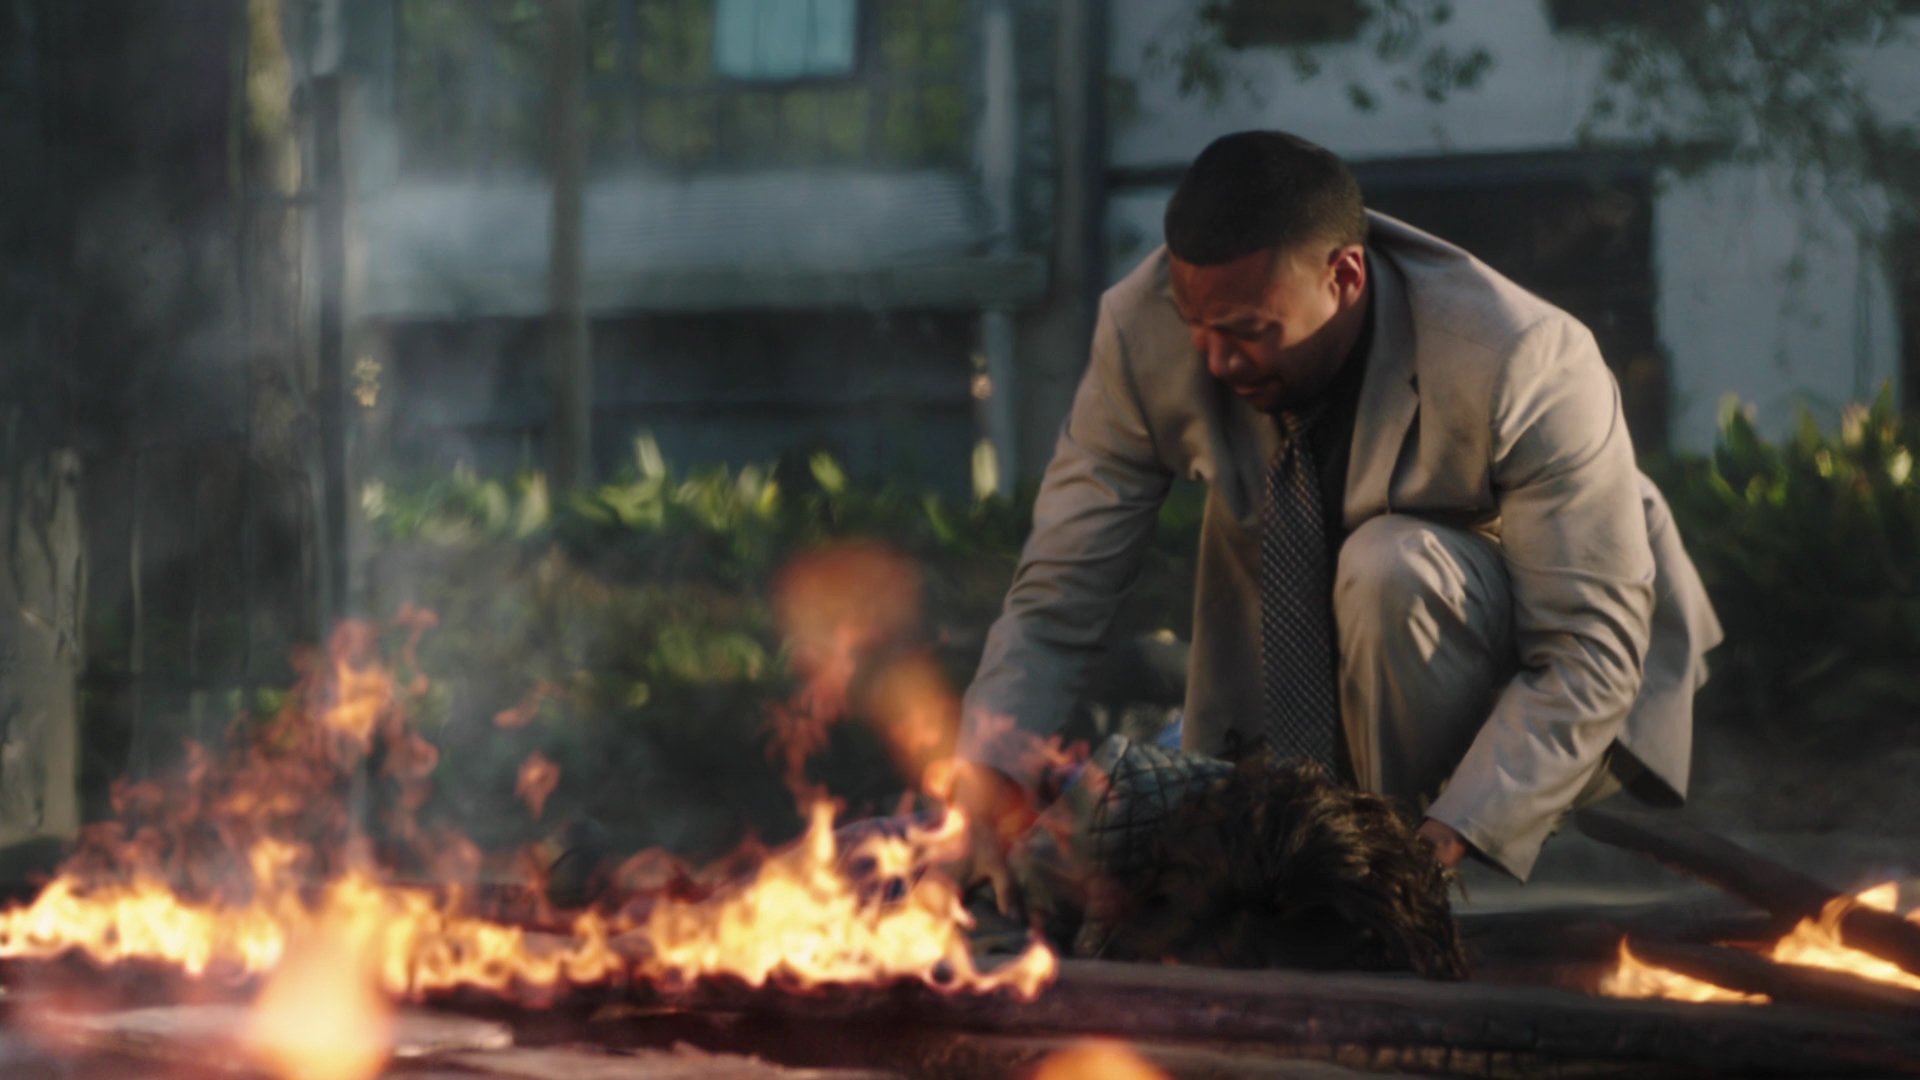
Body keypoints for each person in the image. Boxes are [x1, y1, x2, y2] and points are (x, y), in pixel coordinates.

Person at [952, 130, 1722, 903]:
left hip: (1547, 665)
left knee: (1391, 566)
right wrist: (991, 777)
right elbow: (1060, 594)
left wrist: (1433, 850)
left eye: (1251, 330)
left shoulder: (1522, 356)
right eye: (1197, 326)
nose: (1217, 360)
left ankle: (1378, 879)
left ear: (1345, 276)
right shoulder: (1139, 329)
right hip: (1318, 656)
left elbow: (1587, 651)